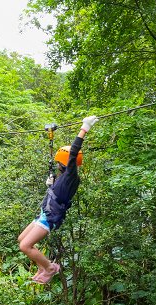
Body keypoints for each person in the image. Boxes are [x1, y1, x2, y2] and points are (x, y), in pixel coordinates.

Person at [18, 116, 99, 284]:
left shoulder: (71, 175)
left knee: (25, 246)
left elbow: (74, 151)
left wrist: (85, 128)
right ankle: (43, 265)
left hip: (50, 218)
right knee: (21, 239)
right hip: (45, 213)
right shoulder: (64, 178)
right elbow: (58, 193)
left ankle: (50, 268)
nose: (57, 165)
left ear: (64, 162)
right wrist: (51, 184)